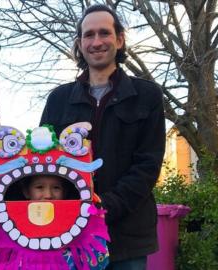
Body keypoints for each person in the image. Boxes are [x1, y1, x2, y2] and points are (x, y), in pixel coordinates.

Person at [40, 4, 166, 270]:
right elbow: (43, 163)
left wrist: (103, 208)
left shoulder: (148, 96)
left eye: (104, 33)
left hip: (126, 238)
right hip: (68, 235)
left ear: (119, 40)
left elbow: (147, 166)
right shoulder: (58, 100)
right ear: (79, 43)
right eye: (89, 35)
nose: (96, 42)